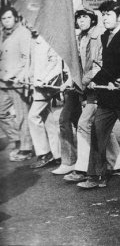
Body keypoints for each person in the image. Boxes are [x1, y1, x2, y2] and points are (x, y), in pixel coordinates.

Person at [63, 8, 120, 181]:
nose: (81, 20)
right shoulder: (81, 37)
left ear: (92, 19)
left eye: (85, 17)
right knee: (101, 127)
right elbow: (79, 63)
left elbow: (100, 63)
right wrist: (73, 81)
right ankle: (117, 163)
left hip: (97, 86)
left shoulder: (98, 35)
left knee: (84, 124)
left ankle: (83, 168)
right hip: (87, 87)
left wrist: (85, 80)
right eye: (79, 18)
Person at [0, 6, 32, 161]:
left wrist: (13, 74)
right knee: (1, 113)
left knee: (22, 115)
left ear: (16, 18)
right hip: (2, 81)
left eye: (9, 18)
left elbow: (26, 58)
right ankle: (17, 139)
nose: (6, 21)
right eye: (3, 18)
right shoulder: (1, 34)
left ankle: (26, 148)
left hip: (17, 81)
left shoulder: (23, 33)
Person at [28, 29, 63, 169]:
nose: (31, 26)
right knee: (48, 119)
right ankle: (58, 154)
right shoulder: (32, 40)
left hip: (45, 87)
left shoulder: (49, 39)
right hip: (35, 86)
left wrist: (44, 78)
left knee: (33, 117)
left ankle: (45, 153)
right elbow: (30, 64)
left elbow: (55, 62)